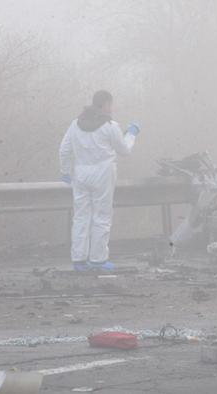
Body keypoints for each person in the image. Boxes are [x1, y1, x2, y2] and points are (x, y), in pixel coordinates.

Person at [59, 90, 141, 272]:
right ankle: (98, 260)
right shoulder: (110, 126)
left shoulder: (75, 124)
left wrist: (65, 172)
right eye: (111, 104)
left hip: (80, 174)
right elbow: (125, 150)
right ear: (105, 105)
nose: (112, 108)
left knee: (80, 216)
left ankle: (79, 260)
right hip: (103, 174)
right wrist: (132, 133)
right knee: (102, 216)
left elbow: (64, 149)